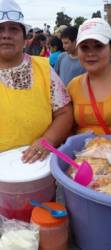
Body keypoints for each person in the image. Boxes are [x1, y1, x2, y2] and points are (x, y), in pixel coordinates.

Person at [0, 0, 73, 163]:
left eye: (13, 29)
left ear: (25, 38)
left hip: (38, 167)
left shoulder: (43, 68)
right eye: (0, 29)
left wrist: (47, 140)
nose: (5, 35)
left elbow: (65, 113)